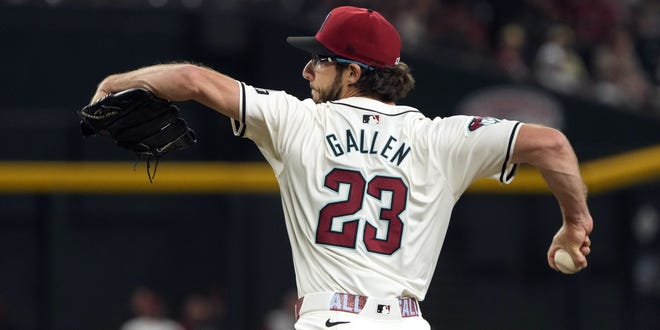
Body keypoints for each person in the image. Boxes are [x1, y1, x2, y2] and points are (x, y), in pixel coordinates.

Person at [90, 6, 593, 330]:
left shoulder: (296, 120)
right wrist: (575, 223)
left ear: (353, 72)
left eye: (321, 60)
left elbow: (191, 78)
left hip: (330, 320)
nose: (308, 69)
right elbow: (550, 144)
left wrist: (118, 80)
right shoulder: (439, 138)